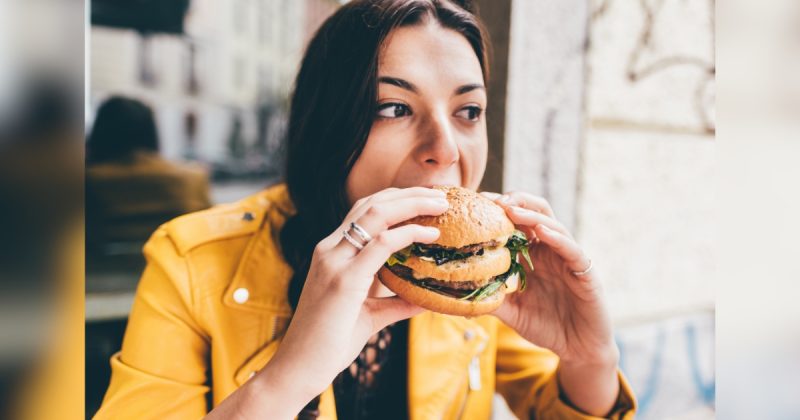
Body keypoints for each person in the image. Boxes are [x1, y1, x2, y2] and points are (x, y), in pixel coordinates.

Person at [94, 1, 637, 419]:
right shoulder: (189, 260)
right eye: (394, 107)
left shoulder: (476, 275)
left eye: (469, 111)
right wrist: (289, 377)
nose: (446, 149)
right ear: (327, 126)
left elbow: (553, 402)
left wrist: (589, 361)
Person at [85, 96, 211, 250]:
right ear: (151, 131)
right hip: (171, 270)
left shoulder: (87, 182)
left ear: (100, 132)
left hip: (95, 273)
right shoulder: (192, 179)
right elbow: (208, 232)